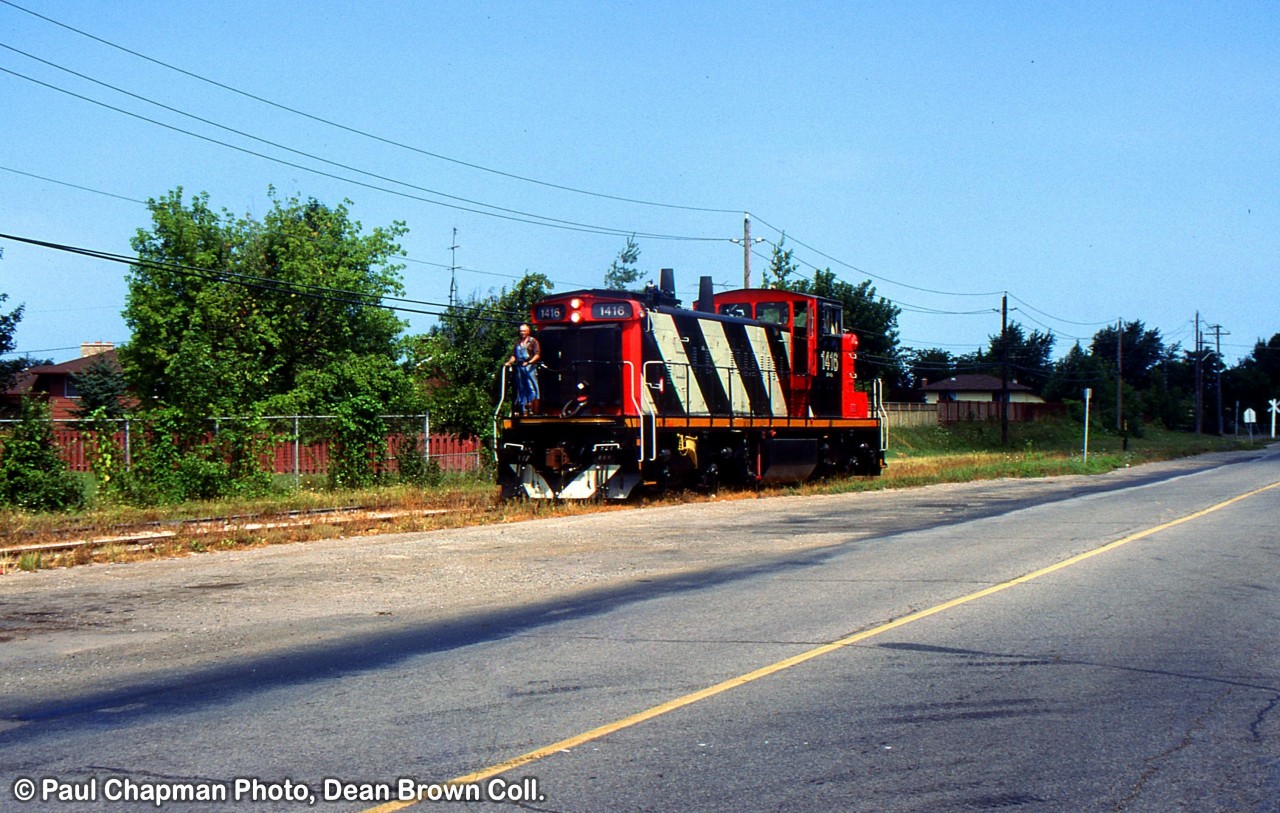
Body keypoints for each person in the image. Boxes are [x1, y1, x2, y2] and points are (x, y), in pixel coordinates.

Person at [504, 323, 541, 415]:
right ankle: (523, 408)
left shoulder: (533, 341)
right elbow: (514, 356)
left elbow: (537, 354)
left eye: (524, 331)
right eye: (521, 331)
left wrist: (529, 362)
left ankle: (532, 408)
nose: (522, 333)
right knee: (521, 387)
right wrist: (509, 362)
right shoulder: (517, 343)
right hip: (519, 366)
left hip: (529, 366)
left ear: (528, 331)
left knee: (531, 387)